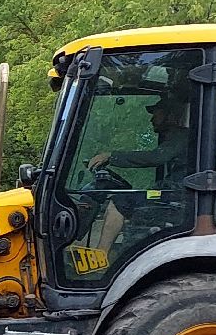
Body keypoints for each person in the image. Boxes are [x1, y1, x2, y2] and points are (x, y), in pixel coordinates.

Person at [80, 94, 192, 253]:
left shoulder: (179, 135)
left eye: (156, 113)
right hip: (173, 194)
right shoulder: (175, 137)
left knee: (121, 201)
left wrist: (111, 156)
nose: (152, 119)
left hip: (174, 196)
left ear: (170, 115)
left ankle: (100, 255)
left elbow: (157, 157)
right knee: (132, 199)